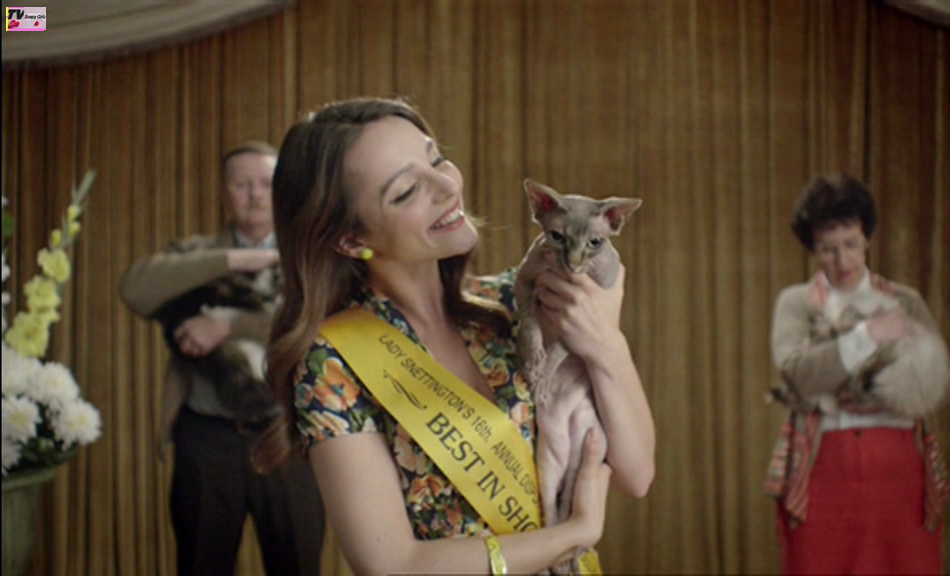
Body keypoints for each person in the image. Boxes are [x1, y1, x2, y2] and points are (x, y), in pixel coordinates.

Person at [252, 97, 656, 575]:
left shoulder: (518, 301)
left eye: (437, 158)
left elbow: (635, 474)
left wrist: (607, 344)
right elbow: (392, 566)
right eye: (407, 190)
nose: (447, 186)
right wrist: (573, 535)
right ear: (352, 240)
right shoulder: (332, 360)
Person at [120, 142, 325, 576]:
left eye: (266, 183)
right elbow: (134, 289)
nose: (255, 194)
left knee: (298, 564)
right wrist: (237, 258)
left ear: (283, 190)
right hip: (206, 437)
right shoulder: (197, 255)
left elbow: (320, 324)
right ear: (223, 193)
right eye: (242, 184)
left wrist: (229, 325)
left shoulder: (308, 256)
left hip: (288, 433)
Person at [763, 173, 950, 574]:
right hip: (824, 468)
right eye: (827, 249)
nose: (842, 260)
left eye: (851, 244)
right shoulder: (796, 303)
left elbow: (939, 383)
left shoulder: (905, 300)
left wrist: (882, 385)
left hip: (901, 469)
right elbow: (798, 373)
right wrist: (868, 335)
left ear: (867, 238)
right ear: (812, 248)